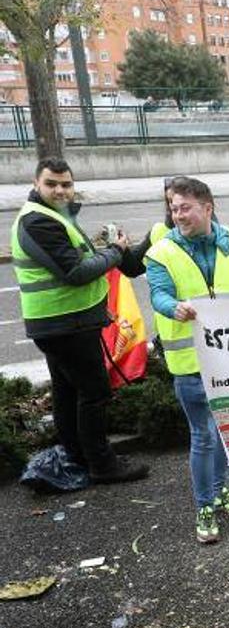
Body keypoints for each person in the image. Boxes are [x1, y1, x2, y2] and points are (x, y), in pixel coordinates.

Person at [11, 157, 150, 484]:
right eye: (52, 184)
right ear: (36, 184)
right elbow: (75, 272)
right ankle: (103, 465)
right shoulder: (38, 222)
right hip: (65, 324)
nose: (60, 190)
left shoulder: (54, 216)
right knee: (94, 393)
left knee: (68, 392)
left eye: (66, 184)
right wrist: (115, 252)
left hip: (61, 323)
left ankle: (77, 456)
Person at [146, 177, 229, 543]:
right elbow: (159, 294)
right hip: (190, 364)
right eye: (173, 208)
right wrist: (174, 308)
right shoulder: (161, 252)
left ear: (207, 208)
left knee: (225, 431)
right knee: (204, 435)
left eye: (185, 208)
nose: (178, 215)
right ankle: (205, 505)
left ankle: (223, 491)